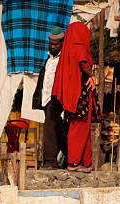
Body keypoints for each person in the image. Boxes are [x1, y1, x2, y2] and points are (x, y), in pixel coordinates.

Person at [52, 22, 99, 173]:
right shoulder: (78, 47)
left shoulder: (66, 49)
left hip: (73, 94)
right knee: (79, 127)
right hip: (80, 94)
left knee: (83, 127)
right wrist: (93, 76)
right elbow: (84, 63)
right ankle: (73, 162)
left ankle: (86, 163)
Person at [32, 26, 68, 169]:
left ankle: (50, 161)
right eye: (51, 44)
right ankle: (69, 155)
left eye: (56, 44)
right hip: (46, 98)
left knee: (49, 126)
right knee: (56, 127)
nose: (53, 47)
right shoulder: (49, 59)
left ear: (62, 43)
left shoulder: (64, 59)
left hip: (57, 98)